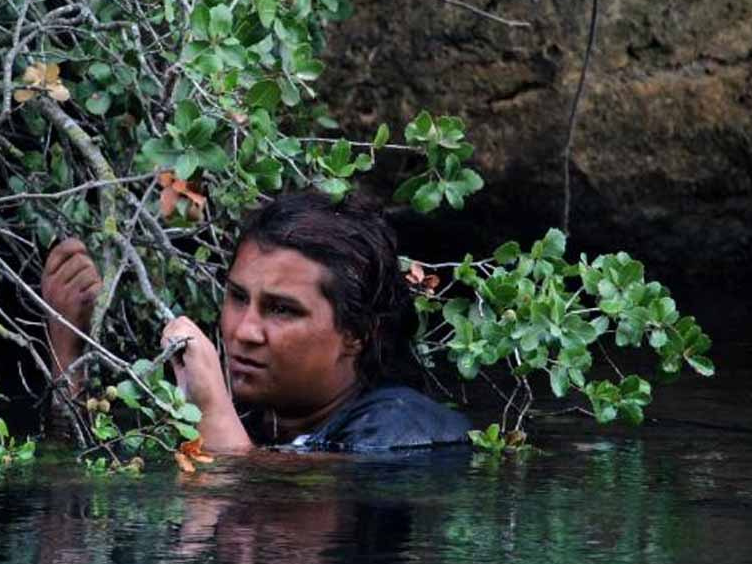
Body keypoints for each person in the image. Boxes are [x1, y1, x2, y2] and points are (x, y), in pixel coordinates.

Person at [40, 191, 470, 453]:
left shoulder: (403, 429)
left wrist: (209, 407)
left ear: (355, 334)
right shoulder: (256, 417)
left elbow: (260, 493)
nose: (243, 331)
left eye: (282, 309)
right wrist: (68, 348)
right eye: (238, 297)